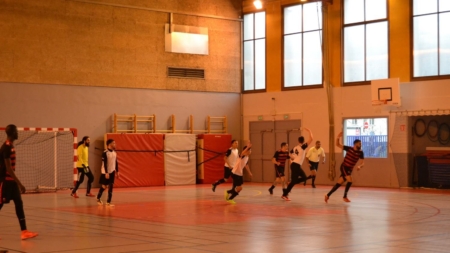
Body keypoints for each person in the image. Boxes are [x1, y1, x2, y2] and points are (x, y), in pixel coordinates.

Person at [0, 124, 38, 240]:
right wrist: (20, 183)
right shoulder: (6, 147)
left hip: (12, 182)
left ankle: (24, 231)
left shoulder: (10, 146)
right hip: (5, 182)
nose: (18, 133)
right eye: (16, 131)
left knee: (19, 203)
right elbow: (8, 169)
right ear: (12, 133)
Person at [325, 132, 364, 203]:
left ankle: (327, 195)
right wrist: (338, 137)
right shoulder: (349, 148)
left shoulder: (361, 152)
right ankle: (345, 197)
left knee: (339, 183)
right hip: (344, 167)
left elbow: (362, 163)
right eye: (359, 143)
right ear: (355, 144)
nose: (360, 145)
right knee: (350, 180)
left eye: (361, 144)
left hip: (350, 169)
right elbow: (337, 144)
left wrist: (359, 166)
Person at [281, 128, 313, 201]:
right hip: (296, 165)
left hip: (295, 165)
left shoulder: (295, 147)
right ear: (303, 141)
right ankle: (285, 194)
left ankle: (289, 186)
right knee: (295, 181)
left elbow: (289, 154)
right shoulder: (303, 146)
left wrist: (292, 159)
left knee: (304, 178)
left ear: (298, 141)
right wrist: (309, 131)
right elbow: (311, 138)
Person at [97, 139, 119, 207]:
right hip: (105, 172)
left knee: (111, 186)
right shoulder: (105, 152)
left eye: (115, 143)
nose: (115, 144)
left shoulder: (114, 153)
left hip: (112, 171)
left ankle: (108, 202)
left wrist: (117, 171)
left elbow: (116, 162)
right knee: (104, 186)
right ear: (109, 144)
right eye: (113, 143)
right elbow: (105, 163)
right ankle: (98, 198)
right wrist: (106, 172)